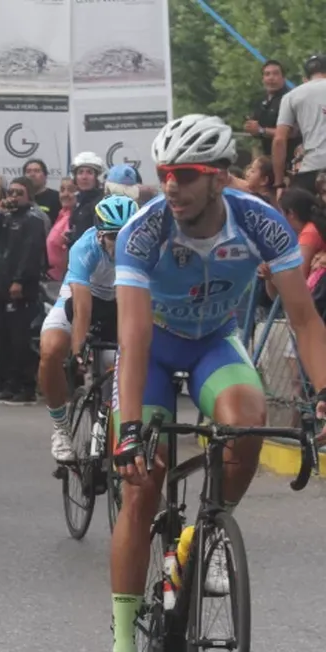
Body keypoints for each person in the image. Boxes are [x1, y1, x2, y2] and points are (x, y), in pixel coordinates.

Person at [109, 114, 326, 652]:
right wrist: (131, 427)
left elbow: (304, 319)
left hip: (214, 342)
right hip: (154, 348)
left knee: (246, 429)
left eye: (185, 174)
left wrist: (323, 402)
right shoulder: (145, 230)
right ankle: (121, 639)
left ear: (219, 176)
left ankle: (195, 540)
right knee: (141, 482)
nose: (172, 186)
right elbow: (133, 337)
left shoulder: (260, 221)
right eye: (165, 173)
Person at [38, 195, 136, 462]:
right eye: (114, 237)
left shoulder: (145, 247)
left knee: (117, 365)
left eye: (127, 235)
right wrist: (78, 347)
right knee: (51, 351)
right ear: (101, 234)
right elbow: (81, 306)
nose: (121, 244)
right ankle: (60, 427)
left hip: (119, 304)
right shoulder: (85, 247)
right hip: (81, 300)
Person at [0, 177, 48, 405]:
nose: (14, 197)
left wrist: (19, 281)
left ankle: (25, 387)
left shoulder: (34, 219)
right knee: (2, 336)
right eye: (11, 193)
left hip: (20, 289)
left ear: (29, 195)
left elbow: (31, 253)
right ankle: (7, 383)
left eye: (19, 193)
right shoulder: (6, 216)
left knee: (21, 339)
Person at [274, 54, 326, 195]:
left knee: (306, 216)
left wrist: (279, 183)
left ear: (306, 76)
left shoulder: (291, 96)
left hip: (312, 169)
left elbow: (279, 140)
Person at [65, 151, 107, 246]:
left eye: (89, 172)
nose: (84, 177)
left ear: (96, 177)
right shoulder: (78, 201)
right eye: (80, 172)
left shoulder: (101, 203)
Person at [24, 158, 62, 224]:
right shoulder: (21, 198)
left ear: (45, 175)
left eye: (37, 171)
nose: (32, 174)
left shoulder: (56, 197)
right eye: (28, 171)